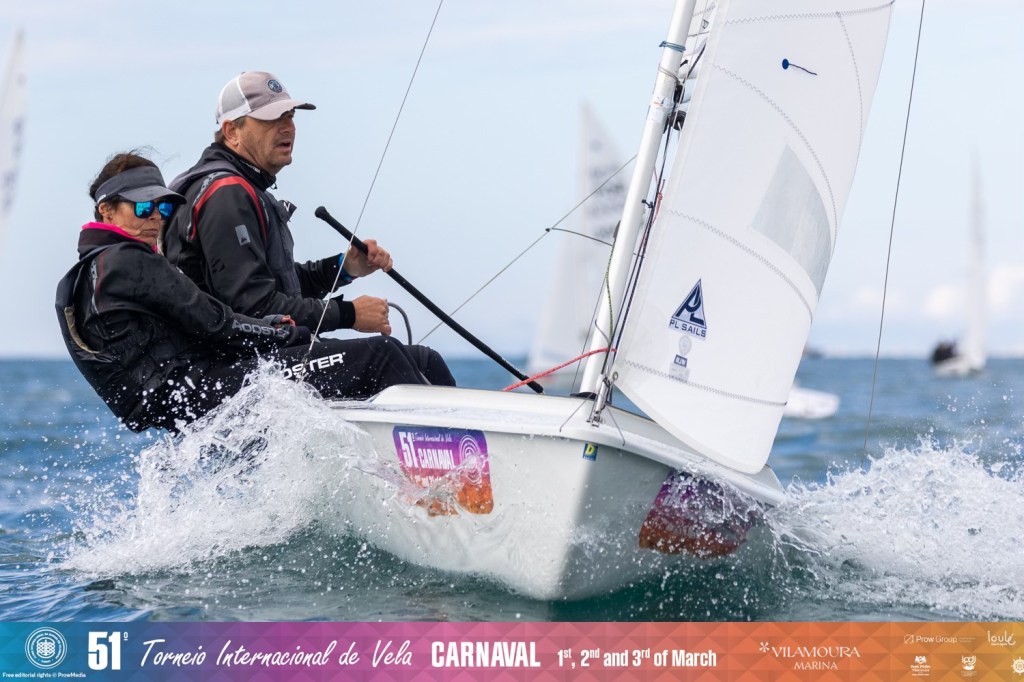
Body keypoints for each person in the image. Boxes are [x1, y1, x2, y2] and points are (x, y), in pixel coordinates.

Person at [57, 152, 446, 432]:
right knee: (380, 354)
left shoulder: (96, 271)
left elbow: (208, 313)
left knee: (421, 359)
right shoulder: (126, 261)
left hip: (195, 392)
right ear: (107, 211)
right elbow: (215, 322)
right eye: (143, 209)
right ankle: (454, 475)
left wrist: (337, 274)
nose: (156, 219)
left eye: (163, 208)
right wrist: (282, 332)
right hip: (201, 391)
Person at [163, 70, 455, 387]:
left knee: (424, 360)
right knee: (382, 354)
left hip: (254, 359)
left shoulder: (240, 187)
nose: (288, 127)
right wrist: (349, 314)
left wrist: (344, 269)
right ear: (232, 131)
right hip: (224, 371)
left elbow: (277, 288)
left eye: (289, 116)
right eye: (271, 119)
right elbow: (254, 306)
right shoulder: (226, 194)